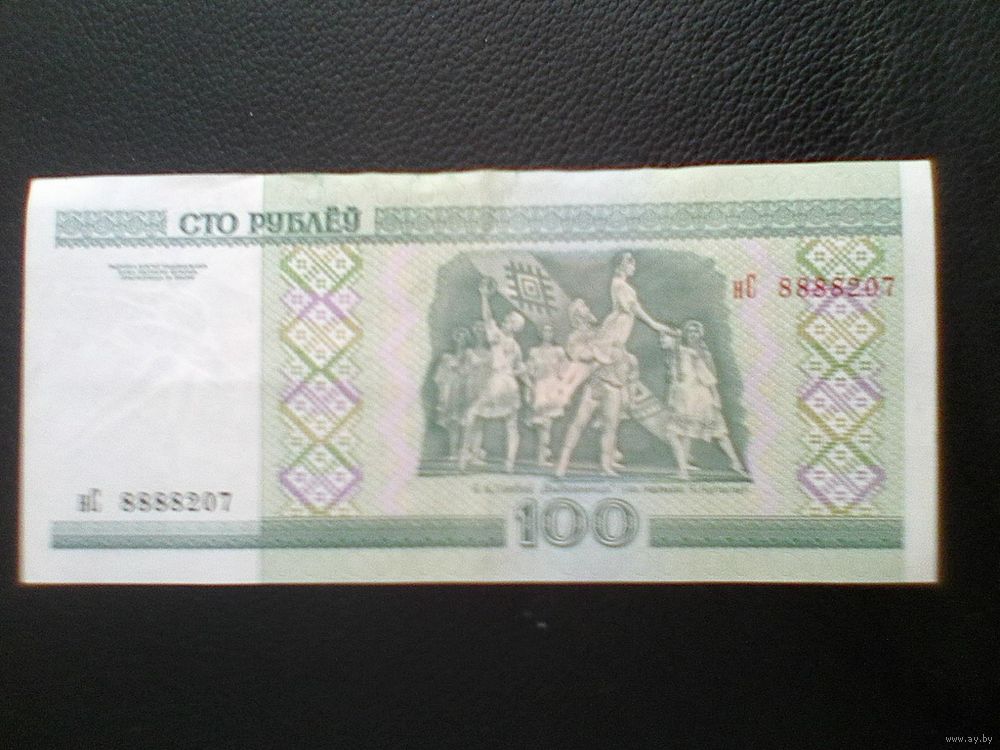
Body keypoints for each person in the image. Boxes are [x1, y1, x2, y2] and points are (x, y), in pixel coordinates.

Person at [459, 278, 527, 473]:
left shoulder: (498, 337)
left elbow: (488, 318)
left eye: (507, 320)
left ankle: (463, 457)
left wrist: (484, 297)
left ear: (512, 326)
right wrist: (526, 381)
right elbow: (520, 369)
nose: (504, 321)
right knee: (511, 425)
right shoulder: (516, 346)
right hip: (510, 385)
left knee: (473, 415)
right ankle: (510, 463)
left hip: (497, 383)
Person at [663, 321, 746, 479]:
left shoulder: (690, 355)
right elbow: (675, 383)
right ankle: (684, 469)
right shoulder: (674, 357)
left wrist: (716, 398)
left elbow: (708, 377)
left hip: (699, 400)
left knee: (717, 432)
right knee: (682, 433)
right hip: (684, 400)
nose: (662, 340)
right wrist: (672, 399)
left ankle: (735, 463)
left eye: (665, 337)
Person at [526, 323, 569, 466]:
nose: (547, 333)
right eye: (545, 331)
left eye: (550, 331)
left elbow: (565, 371)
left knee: (548, 422)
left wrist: (563, 388)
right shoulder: (534, 351)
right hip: (540, 386)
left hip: (553, 386)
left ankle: (544, 453)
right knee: (542, 422)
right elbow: (530, 371)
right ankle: (542, 455)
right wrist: (530, 388)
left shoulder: (559, 351)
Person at [432, 327, 470, 460]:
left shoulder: (469, 356)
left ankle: (465, 451)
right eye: (458, 336)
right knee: (453, 422)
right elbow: (439, 378)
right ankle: (453, 452)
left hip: (465, 391)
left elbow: (473, 373)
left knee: (466, 421)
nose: (460, 339)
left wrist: (461, 370)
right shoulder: (447, 358)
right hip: (451, 391)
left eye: (463, 336)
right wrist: (442, 394)